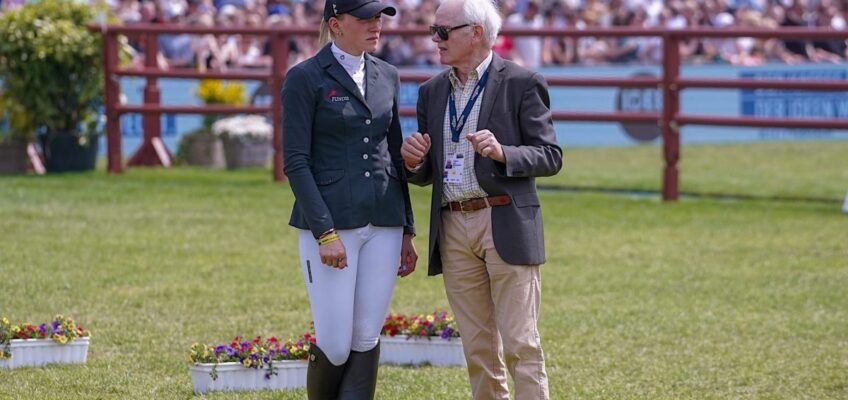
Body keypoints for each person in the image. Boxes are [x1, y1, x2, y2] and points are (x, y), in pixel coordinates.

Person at [400, 0, 562, 399]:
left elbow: (550, 156)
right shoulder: (431, 91)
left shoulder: (523, 82)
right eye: (433, 30)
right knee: (477, 347)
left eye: (443, 31)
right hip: (452, 224)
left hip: (503, 220)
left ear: (476, 33)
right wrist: (412, 162)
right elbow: (427, 172)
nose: (433, 39)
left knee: (521, 343)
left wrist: (504, 152)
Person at [281, 0, 417, 398]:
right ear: (336, 25)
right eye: (366, 19)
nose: (376, 26)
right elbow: (295, 162)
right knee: (336, 343)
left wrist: (407, 228)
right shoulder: (304, 78)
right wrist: (325, 233)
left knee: (366, 337)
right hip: (331, 222)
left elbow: (394, 154)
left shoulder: (388, 74)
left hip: (384, 221)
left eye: (380, 18)